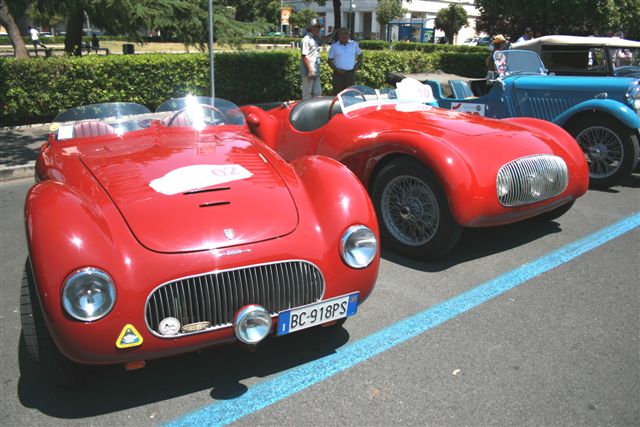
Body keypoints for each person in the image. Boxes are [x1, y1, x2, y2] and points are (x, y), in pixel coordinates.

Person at [328, 27, 363, 95]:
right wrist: (337, 70)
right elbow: (329, 61)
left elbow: (360, 54)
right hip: (338, 75)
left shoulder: (354, 44)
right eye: (341, 34)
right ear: (338, 35)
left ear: (349, 35)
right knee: (338, 95)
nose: (344, 35)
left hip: (350, 74)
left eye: (346, 33)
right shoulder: (334, 46)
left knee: (351, 95)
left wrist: (358, 64)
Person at [300, 18, 324, 100]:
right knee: (307, 94)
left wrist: (334, 32)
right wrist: (310, 70)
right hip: (309, 71)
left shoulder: (314, 39)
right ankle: (306, 111)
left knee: (317, 93)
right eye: (317, 27)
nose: (319, 29)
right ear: (311, 27)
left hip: (315, 70)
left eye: (319, 27)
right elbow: (305, 56)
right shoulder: (306, 39)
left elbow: (324, 39)